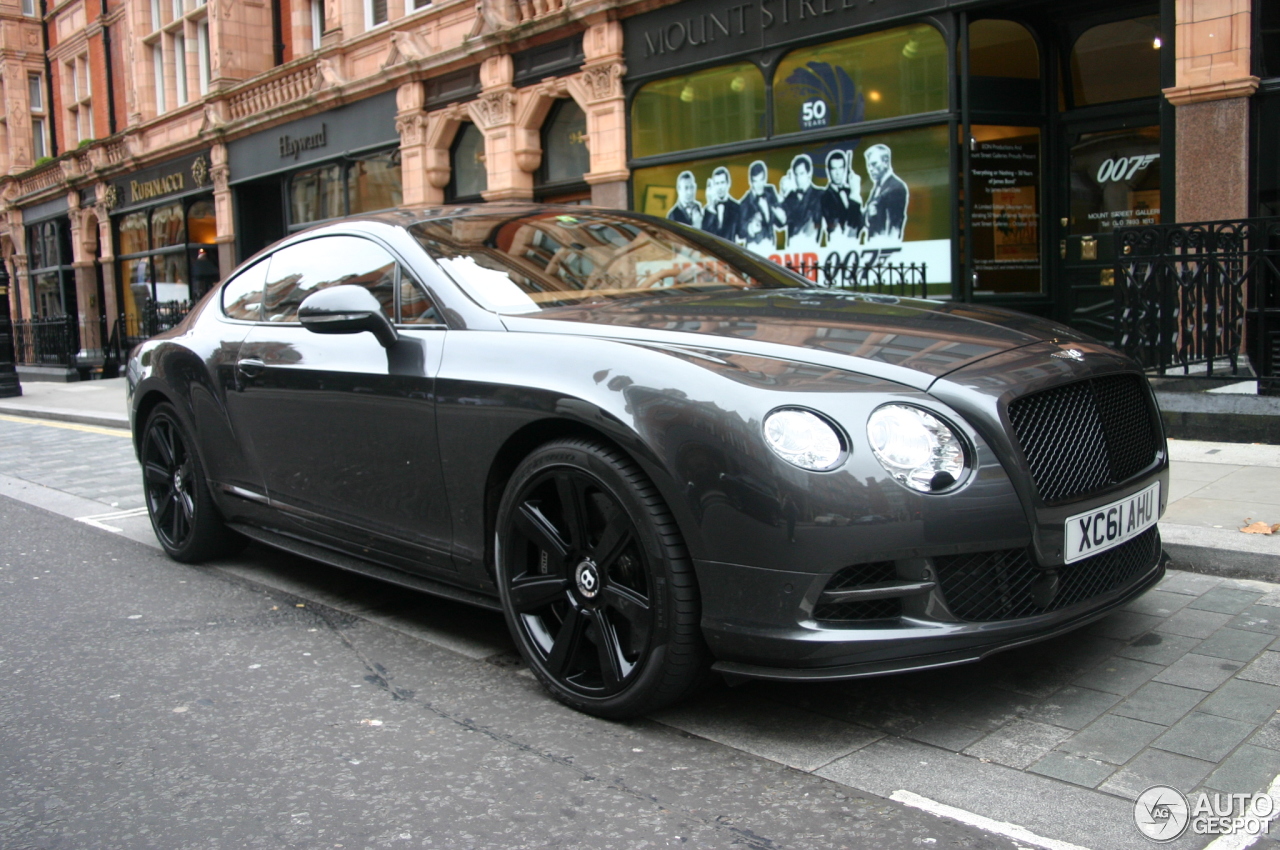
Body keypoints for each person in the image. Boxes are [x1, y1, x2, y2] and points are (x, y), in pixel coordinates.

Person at [863, 144, 909, 245]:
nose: (870, 169)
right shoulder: (877, 186)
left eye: (874, 164)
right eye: (869, 165)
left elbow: (895, 226)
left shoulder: (896, 187)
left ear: (886, 162)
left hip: (884, 251)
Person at [736, 160, 784, 254]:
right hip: (755, 251)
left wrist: (781, 217)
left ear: (765, 178)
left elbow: (779, 222)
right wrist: (750, 228)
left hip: (772, 248)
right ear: (751, 181)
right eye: (755, 181)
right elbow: (740, 231)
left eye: (761, 180)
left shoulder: (770, 191)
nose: (758, 185)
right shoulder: (745, 202)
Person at [820, 150, 863, 250]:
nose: (838, 173)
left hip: (857, 247)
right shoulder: (826, 196)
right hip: (838, 248)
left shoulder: (849, 191)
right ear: (829, 171)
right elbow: (844, 228)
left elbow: (860, 222)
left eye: (841, 168)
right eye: (834, 169)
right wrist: (854, 194)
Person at [779, 154, 822, 249]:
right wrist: (782, 194)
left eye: (802, 173)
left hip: (814, 250)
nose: (799, 178)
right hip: (792, 254)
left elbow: (804, 219)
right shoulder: (789, 197)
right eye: (796, 174)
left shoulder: (819, 194)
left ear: (809, 173)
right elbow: (779, 223)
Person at [701, 167, 740, 241]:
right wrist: (711, 204)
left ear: (728, 183)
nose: (720, 187)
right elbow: (704, 236)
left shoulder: (736, 207)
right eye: (717, 183)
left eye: (722, 183)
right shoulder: (709, 210)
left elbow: (741, 234)